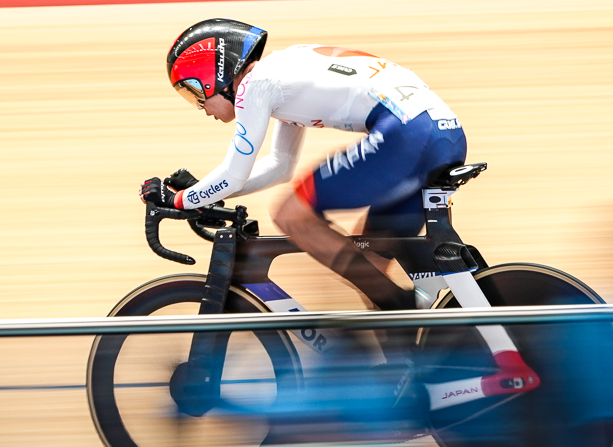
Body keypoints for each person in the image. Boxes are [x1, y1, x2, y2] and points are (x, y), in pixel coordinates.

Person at [144, 18, 466, 319]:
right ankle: (409, 352)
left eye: (195, 93)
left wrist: (180, 200)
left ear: (214, 75)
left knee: (291, 214)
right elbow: (280, 166)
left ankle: (401, 305)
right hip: (439, 132)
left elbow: (233, 175)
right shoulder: (279, 73)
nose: (201, 107)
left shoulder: (254, 86)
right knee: (370, 264)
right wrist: (203, 193)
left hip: (408, 135)